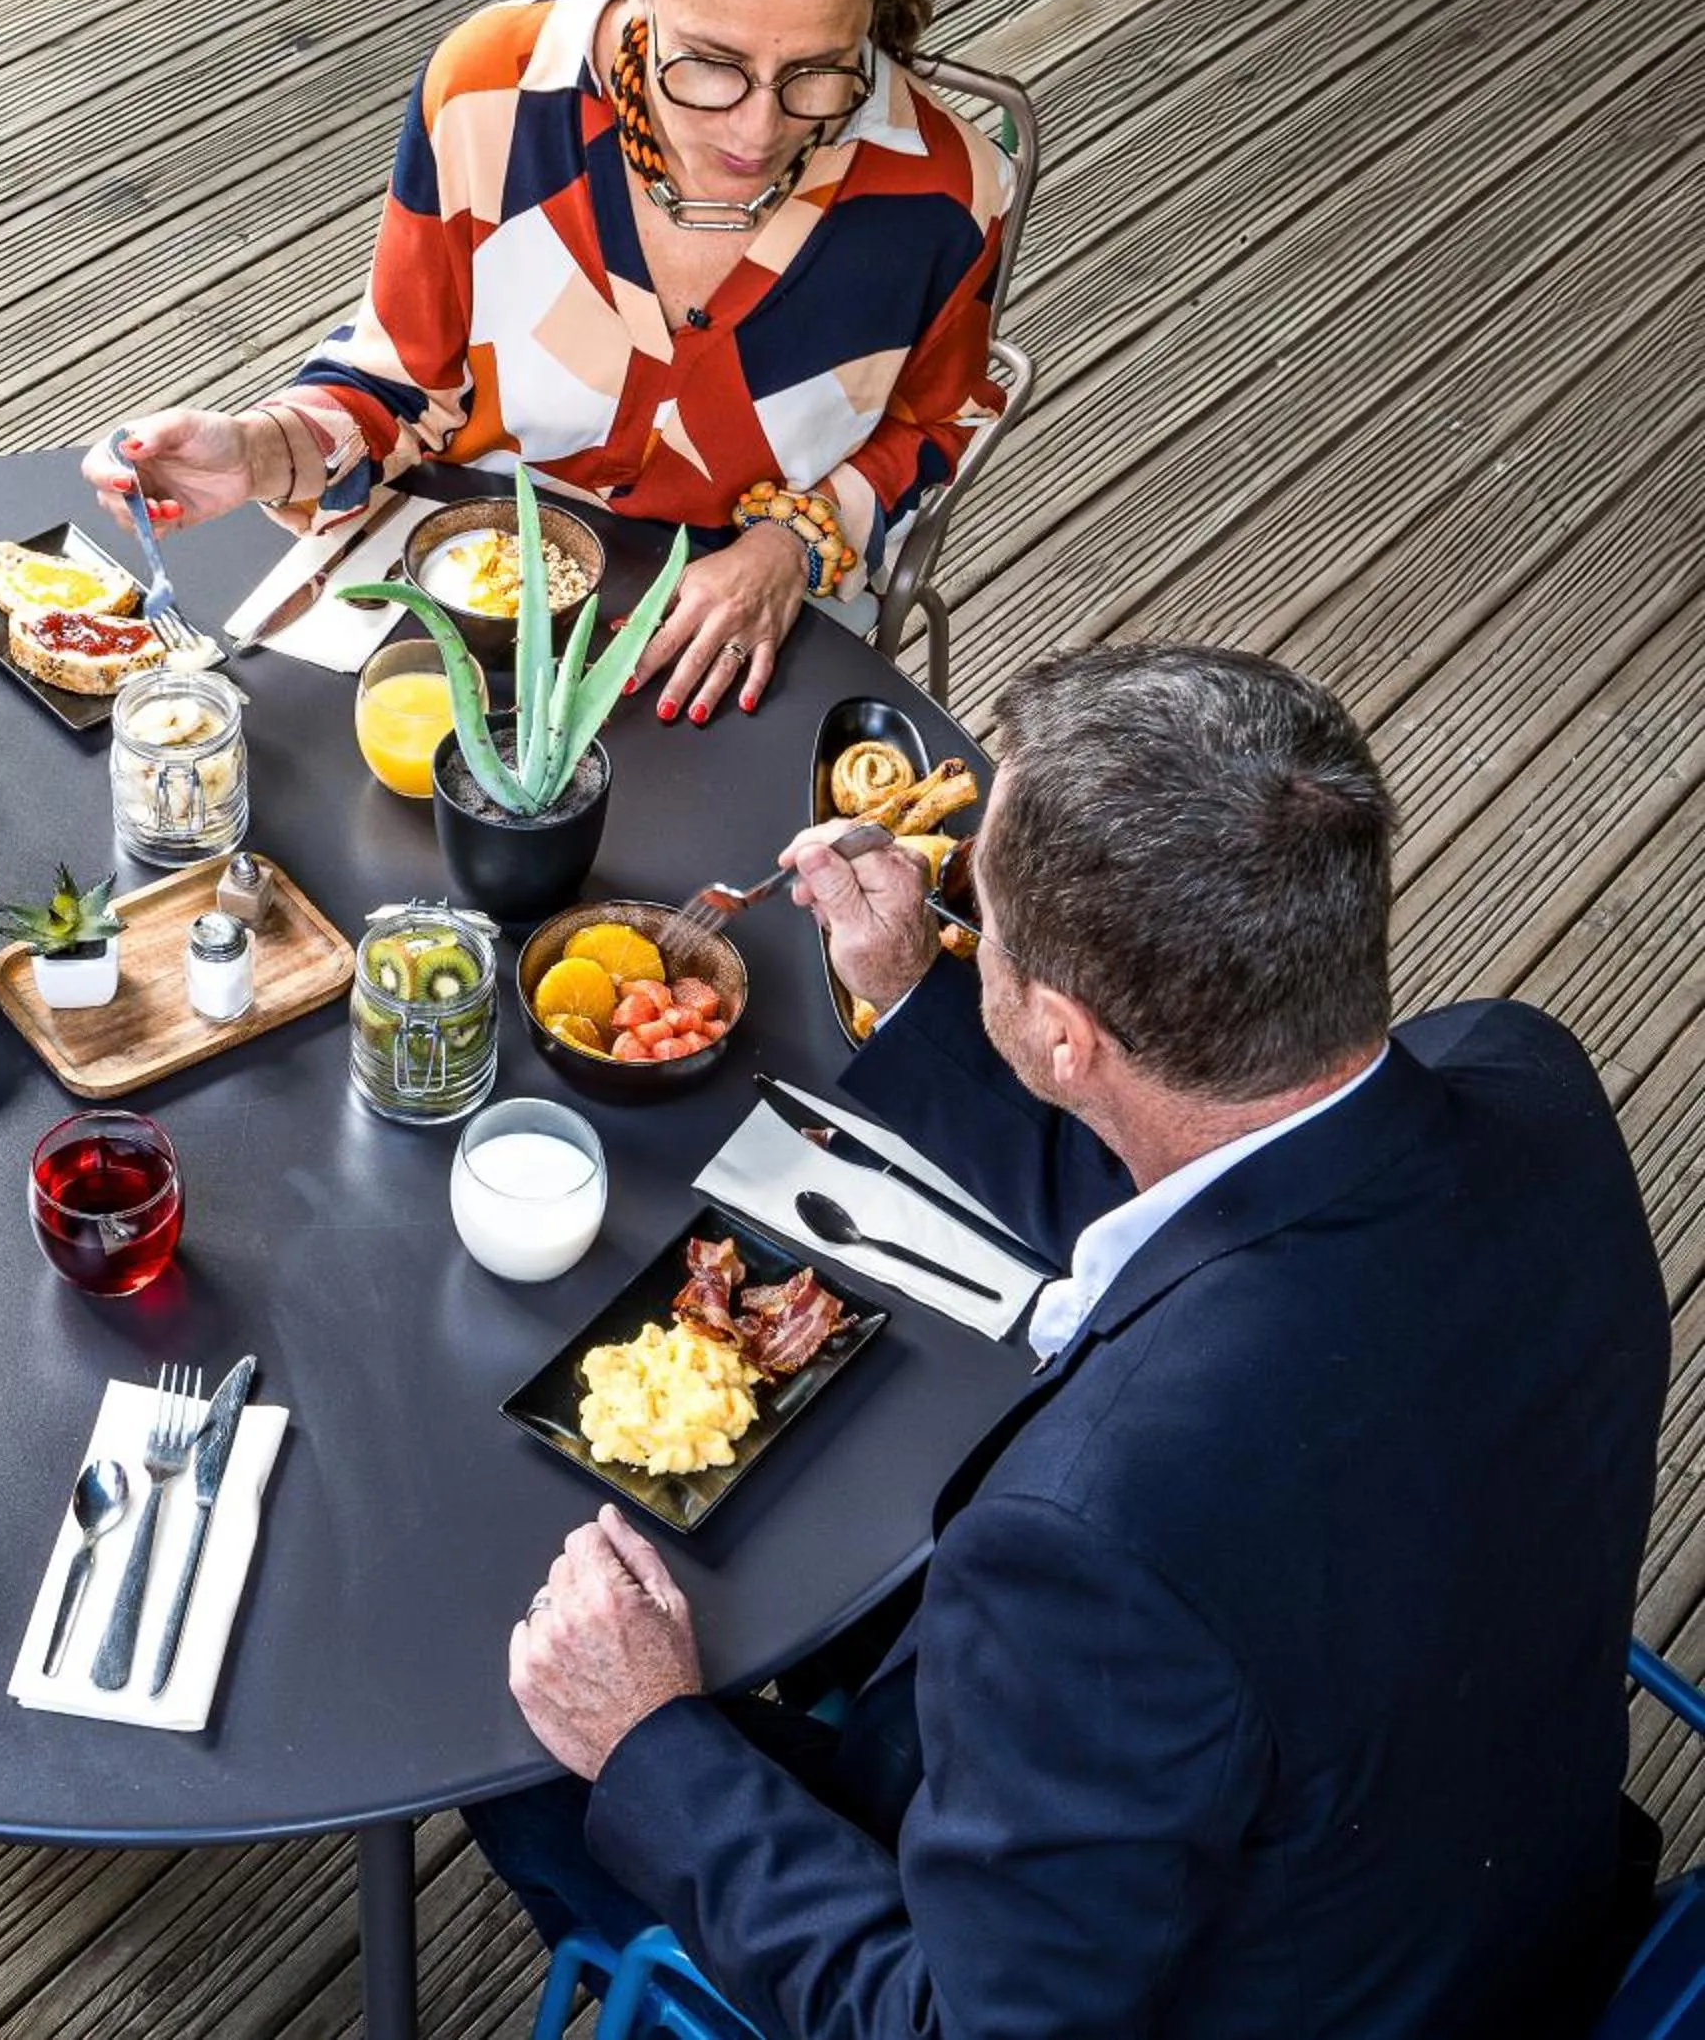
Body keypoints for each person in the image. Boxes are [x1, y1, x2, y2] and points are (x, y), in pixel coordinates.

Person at [468, 646, 1669, 2034]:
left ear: (1060, 1033)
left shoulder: (1093, 1540)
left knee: (515, 1742)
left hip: (1250, 1983)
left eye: (978, 901)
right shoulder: (1522, 1077)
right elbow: (1233, 1174)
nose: (954, 888)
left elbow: (953, 2021)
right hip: (1487, 1865)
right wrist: (923, 993)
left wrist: (645, 1738)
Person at [83, 0, 1008, 725]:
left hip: (741, 630)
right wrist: (258, 449)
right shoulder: (492, 90)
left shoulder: (941, 192)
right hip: (464, 584)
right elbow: (404, 387)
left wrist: (792, 546)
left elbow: (939, 425)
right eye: (710, 63)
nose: (757, 127)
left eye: (819, 71)